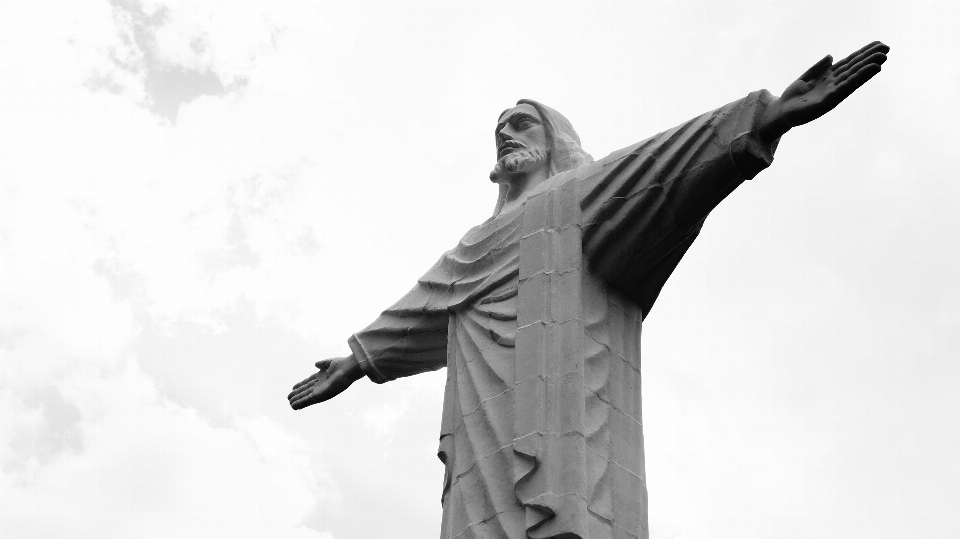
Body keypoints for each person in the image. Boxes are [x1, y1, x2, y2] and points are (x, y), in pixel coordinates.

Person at [289, 41, 889, 539]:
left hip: (555, 422)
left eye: (520, 124)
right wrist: (357, 360)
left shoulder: (574, 197)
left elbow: (661, 169)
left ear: (553, 139)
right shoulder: (474, 243)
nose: (505, 135)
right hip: (480, 438)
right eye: (498, 129)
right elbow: (423, 305)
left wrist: (766, 116)